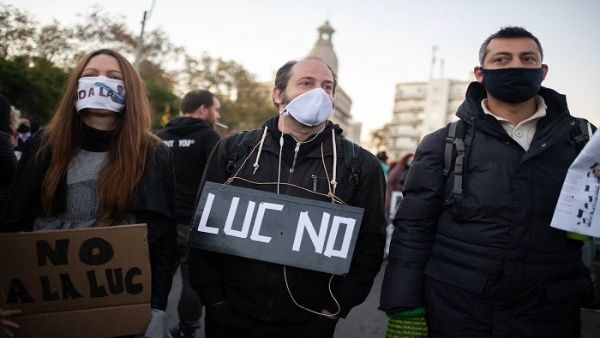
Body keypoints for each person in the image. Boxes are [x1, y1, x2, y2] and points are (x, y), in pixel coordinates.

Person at [380, 26, 595, 337]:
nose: (515, 67)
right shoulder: (443, 142)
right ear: (480, 73)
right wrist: (404, 306)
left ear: (543, 71)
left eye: (527, 58)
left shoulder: (584, 139)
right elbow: (413, 229)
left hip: (550, 312)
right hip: (457, 311)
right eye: (502, 60)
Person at [188, 57, 386, 338]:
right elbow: (202, 229)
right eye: (306, 83)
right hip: (230, 313)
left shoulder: (360, 165)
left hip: (309, 321)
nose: (319, 93)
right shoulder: (234, 151)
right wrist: (214, 299)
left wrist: (335, 308)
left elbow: (370, 244)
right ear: (278, 94)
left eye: (327, 87)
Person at [0, 49, 177, 338]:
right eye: (90, 75)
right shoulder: (44, 143)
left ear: (129, 90)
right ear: (76, 87)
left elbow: (163, 237)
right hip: (46, 312)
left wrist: (156, 309)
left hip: (120, 314)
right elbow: (12, 223)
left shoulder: (153, 152)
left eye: (114, 77)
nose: (101, 83)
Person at [157, 89, 222, 338]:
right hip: (193, 224)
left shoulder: (159, 137)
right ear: (203, 109)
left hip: (161, 222)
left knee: (157, 278)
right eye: (215, 109)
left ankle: (148, 323)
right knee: (192, 281)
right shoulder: (209, 138)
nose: (217, 114)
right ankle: (187, 329)